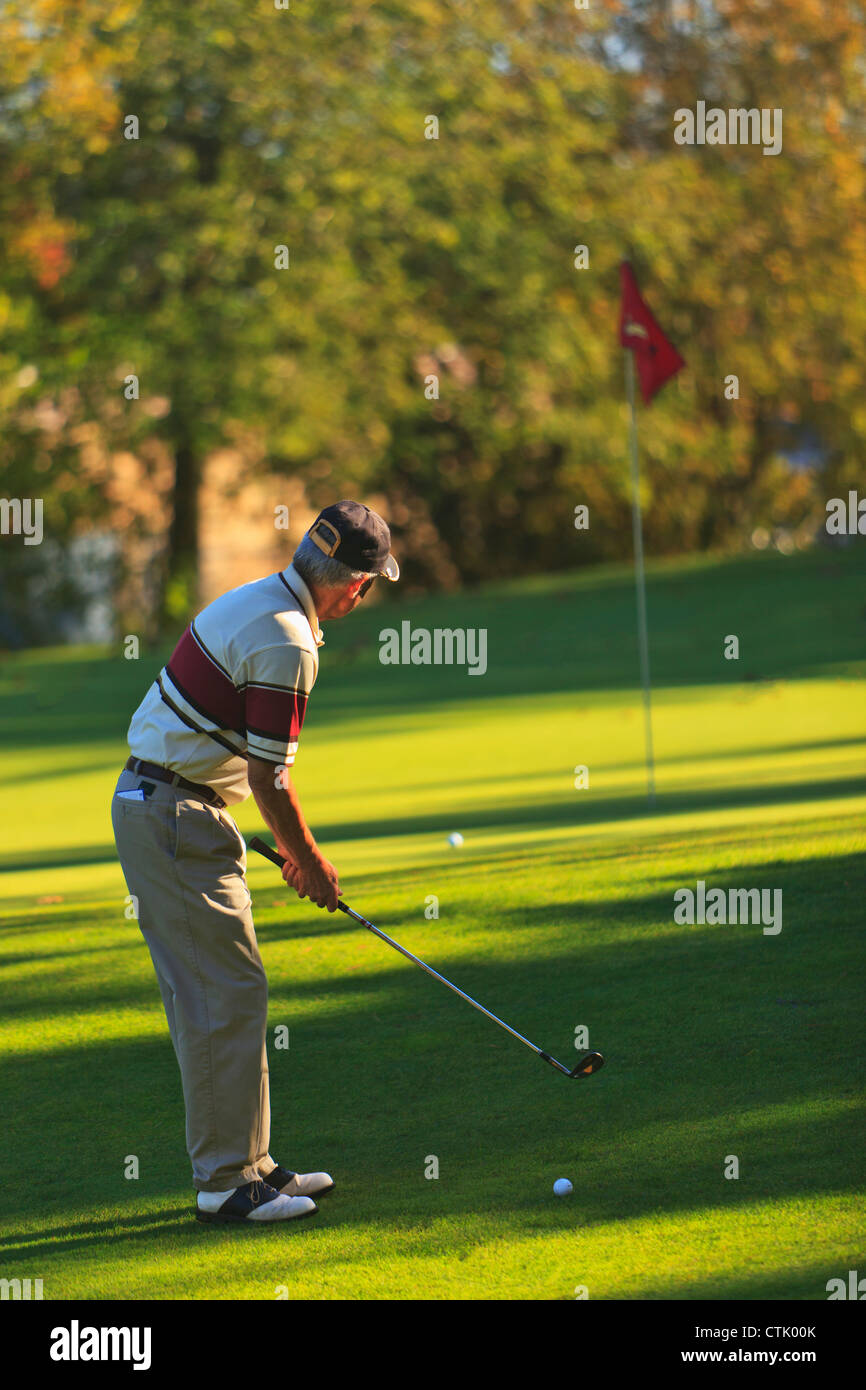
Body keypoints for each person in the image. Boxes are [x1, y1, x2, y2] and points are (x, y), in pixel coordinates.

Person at [111, 501, 399, 1224]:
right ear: (354, 586)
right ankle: (222, 1184)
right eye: (369, 587)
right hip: (176, 814)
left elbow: (235, 755)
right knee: (220, 996)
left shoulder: (260, 600)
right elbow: (272, 778)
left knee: (230, 990)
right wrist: (311, 862)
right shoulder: (289, 640)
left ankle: (254, 1165)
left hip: (176, 806)